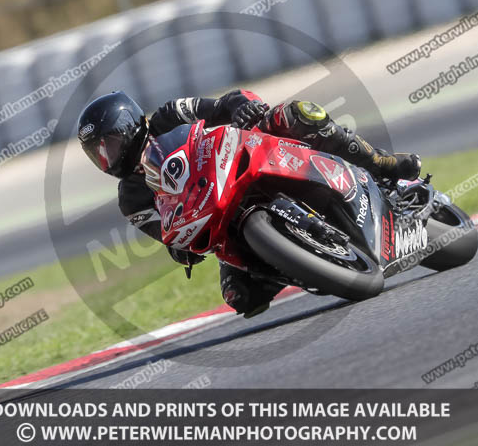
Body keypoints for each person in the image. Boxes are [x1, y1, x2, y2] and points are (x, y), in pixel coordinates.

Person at [78, 90, 421, 318]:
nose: (106, 157)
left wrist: (242, 108)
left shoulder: (170, 115)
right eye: (98, 154)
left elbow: (223, 103)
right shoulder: (131, 198)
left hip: (247, 155)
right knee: (239, 296)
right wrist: (181, 249)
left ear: (129, 126)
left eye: (108, 144)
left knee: (299, 114)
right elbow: (164, 235)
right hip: (220, 220)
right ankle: (308, 261)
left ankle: (381, 164)